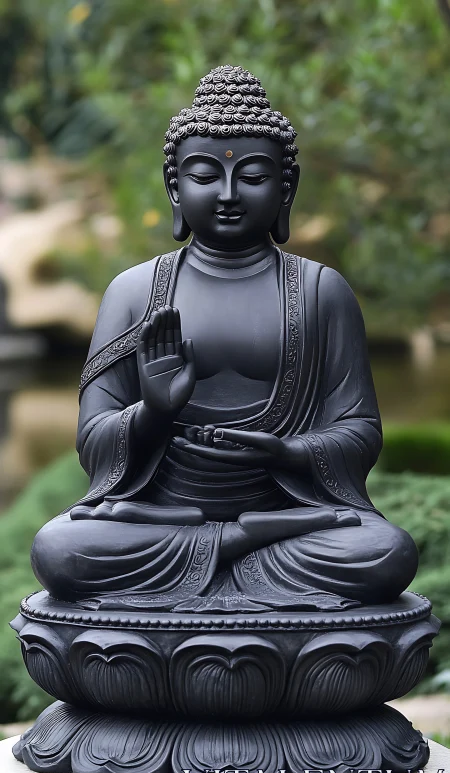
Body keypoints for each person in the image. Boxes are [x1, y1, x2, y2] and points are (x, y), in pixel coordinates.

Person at [31, 66, 418, 613]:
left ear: (287, 188)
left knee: (385, 552)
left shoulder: (321, 291)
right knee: (61, 549)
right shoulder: (134, 290)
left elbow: (359, 429)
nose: (229, 193)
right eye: (205, 175)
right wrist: (153, 413)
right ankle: (236, 549)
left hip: (285, 516)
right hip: (164, 516)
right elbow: (93, 443)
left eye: (254, 177)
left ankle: (222, 558)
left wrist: (290, 450)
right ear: (174, 188)